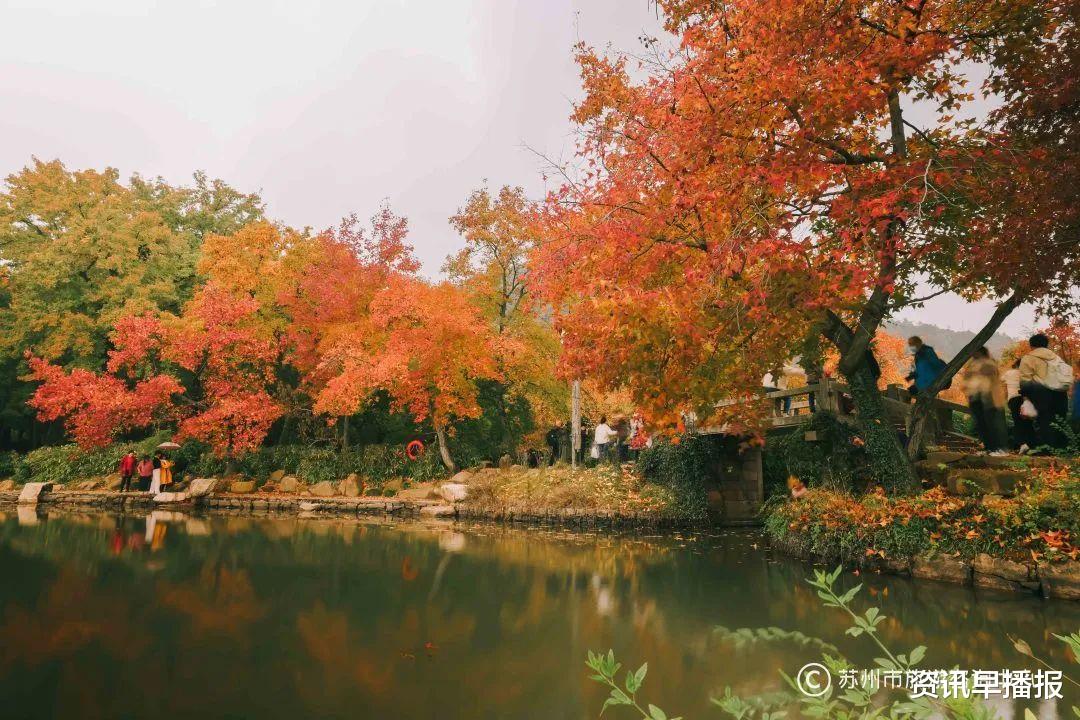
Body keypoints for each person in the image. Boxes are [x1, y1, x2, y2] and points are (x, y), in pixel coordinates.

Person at [1019, 333, 1073, 450]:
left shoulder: (1028, 358)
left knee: (1044, 421)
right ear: (1046, 344)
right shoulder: (1056, 358)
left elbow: (1025, 381)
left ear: (1031, 345)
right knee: (1059, 421)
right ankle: (1061, 450)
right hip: (1060, 393)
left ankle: (1045, 450)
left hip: (1041, 392)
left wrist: (1025, 398)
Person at [961, 347, 1009, 456]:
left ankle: (1000, 449)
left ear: (980, 352)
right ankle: (990, 448)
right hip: (976, 398)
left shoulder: (989, 364)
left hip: (989, 398)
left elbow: (990, 381)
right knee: (983, 425)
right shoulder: (972, 365)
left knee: (994, 424)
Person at [1003, 359, 1035, 453]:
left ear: (1016, 364)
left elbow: (1000, 379)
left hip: (1014, 399)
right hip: (1027, 399)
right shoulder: (1027, 374)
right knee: (1028, 422)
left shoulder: (1009, 373)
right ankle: (1031, 445)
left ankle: (1022, 444)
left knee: (1017, 421)